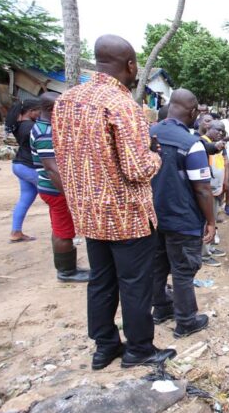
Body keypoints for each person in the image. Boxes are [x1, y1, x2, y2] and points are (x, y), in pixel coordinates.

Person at [53, 34, 175, 370]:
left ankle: (105, 347)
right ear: (131, 65)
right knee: (135, 284)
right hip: (127, 217)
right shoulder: (124, 106)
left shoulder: (66, 102)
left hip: (90, 216)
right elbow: (137, 169)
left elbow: (62, 157)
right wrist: (156, 156)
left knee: (101, 280)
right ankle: (139, 349)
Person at [149, 88, 215, 338]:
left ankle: (162, 309)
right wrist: (210, 222)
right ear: (193, 111)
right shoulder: (192, 144)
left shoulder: (148, 133)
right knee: (183, 271)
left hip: (153, 217)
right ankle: (186, 321)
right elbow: (203, 190)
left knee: (157, 266)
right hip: (182, 220)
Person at [30, 92, 89, 282]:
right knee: (64, 230)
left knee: (59, 227)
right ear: (49, 109)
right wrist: (71, 195)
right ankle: (66, 272)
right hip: (56, 189)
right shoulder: (46, 132)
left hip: (52, 188)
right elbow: (52, 169)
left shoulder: (46, 127)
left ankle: (66, 268)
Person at [8, 99, 42, 242]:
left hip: (19, 165)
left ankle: (16, 232)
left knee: (25, 199)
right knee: (57, 197)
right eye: (38, 111)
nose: (40, 114)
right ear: (30, 111)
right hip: (29, 166)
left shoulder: (19, 125)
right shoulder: (31, 127)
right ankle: (65, 232)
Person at [200, 120, 228, 266]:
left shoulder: (217, 145)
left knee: (213, 221)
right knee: (206, 222)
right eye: (218, 130)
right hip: (208, 192)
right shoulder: (203, 143)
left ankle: (209, 248)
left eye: (222, 131)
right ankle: (203, 254)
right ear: (208, 127)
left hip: (216, 191)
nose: (220, 133)